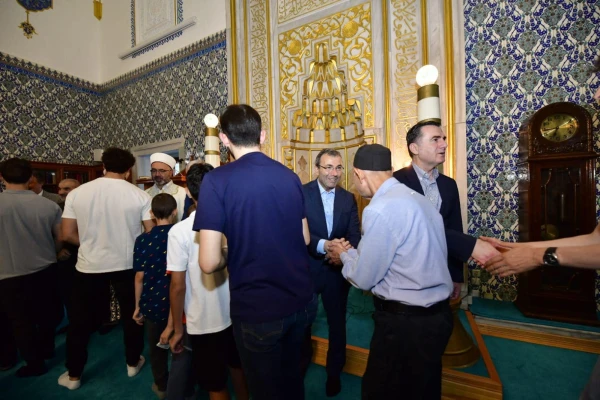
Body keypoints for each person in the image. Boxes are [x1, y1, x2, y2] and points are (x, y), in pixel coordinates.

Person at [194, 104, 316, 400]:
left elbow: (208, 262)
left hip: (258, 309)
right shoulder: (290, 176)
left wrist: (229, 252)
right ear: (262, 135)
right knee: (293, 383)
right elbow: (305, 238)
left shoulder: (216, 180)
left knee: (265, 390)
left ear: (224, 139)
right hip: (301, 303)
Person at [328, 144, 453, 399]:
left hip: (404, 326)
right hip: (437, 318)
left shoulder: (380, 208)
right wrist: (351, 254)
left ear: (359, 174)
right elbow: (394, 258)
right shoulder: (420, 200)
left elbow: (364, 277)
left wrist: (342, 255)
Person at [58, 147, 154, 390]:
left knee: (79, 321)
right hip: (127, 263)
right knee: (132, 315)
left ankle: (74, 375)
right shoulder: (140, 196)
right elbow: (151, 232)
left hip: (89, 264)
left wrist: (92, 243)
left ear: (104, 166)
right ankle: (133, 362)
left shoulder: (77, 193)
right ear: (129, 170)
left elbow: (67, 234)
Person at [168, 163, 248, 400]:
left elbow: (177, 286)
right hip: (236, 311)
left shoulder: (179, 231)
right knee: (238, 368)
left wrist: (177, 329)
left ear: (188, 192)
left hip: (203, 319)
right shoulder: (232, 223)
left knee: (214, 382)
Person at [394, 121, 500, 298]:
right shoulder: (396, 182)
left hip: (441, 276)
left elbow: (455, 227)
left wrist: (456, 276)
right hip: (405, 279)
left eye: (443, 139)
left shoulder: (449, 184)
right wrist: (472, 246)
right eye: (435, 139)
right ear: (415, 148)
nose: (444, 144)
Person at [301, 148, 360, 396]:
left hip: (337, 272)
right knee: (303, 324)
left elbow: (354, 235)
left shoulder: (348, 198)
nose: (334, 173)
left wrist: (341, 251)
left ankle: (334, 373)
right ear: (317, 169)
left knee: (337, 326)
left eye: (338, 168)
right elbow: (297, 233)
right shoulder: (302, 194)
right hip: (308, 270)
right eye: (328, 167)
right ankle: (300, 366)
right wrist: (325, 246)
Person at [0, 158, 63, 377]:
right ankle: (47, 349)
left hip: (8, 274)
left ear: (2, 177)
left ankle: (34, 364)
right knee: (47, 314)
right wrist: (51, 252)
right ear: (30, 178)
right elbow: (59, 238)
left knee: (20, 321)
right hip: (46, 268)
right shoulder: (49, 205)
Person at [132, 193, 178, 399]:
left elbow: (139, 277)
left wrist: (137, 306)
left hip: (152, 301)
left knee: (156, 348)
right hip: (179, 300)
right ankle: (184, 384)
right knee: (181, 345)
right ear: (175, 212)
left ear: (151, 213)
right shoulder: (181, 235)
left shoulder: (143, 239)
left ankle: (162, 385)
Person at [147, 153, 187, 222]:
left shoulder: (183, 193)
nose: (157, 174)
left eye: (162, 171)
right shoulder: (145, 194)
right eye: (154, 170)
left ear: (171, 172)